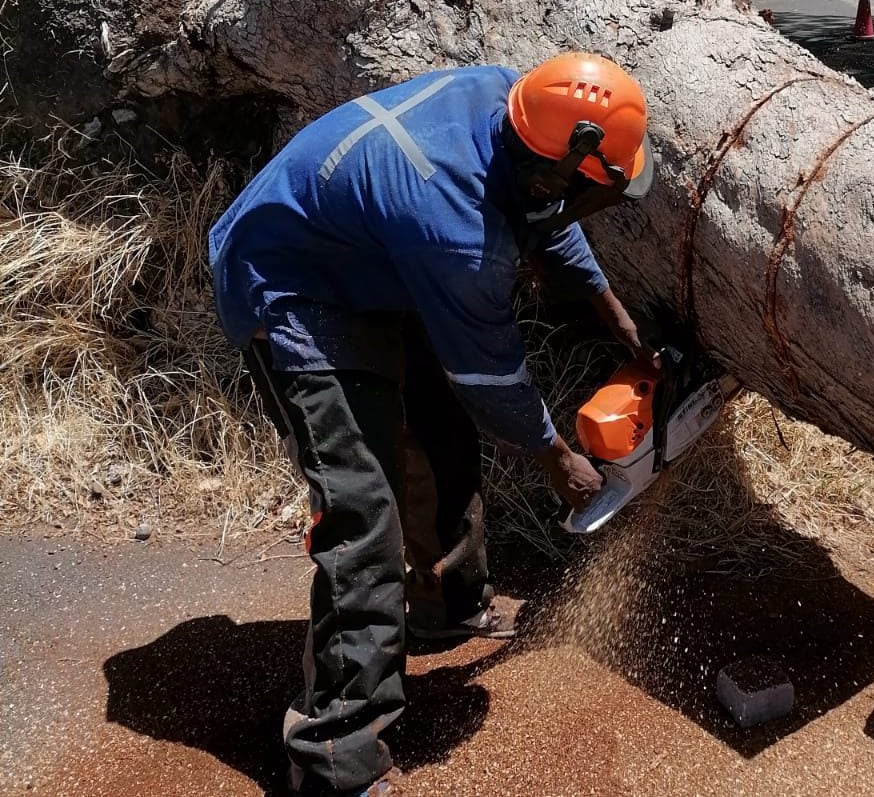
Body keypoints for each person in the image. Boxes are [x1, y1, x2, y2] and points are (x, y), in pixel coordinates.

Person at [208, 53, 654, 797]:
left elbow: (545, 216)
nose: (600, 203)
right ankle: (335, 756)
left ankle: (449, 602)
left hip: (366, 256)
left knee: (439, 426)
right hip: (291, 284)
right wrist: (558, 458)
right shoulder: (457, 232)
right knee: (363, 509)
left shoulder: (508, 100)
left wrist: (611, 308)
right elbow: (491, 376)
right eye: (601, 190)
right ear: (559, 171)